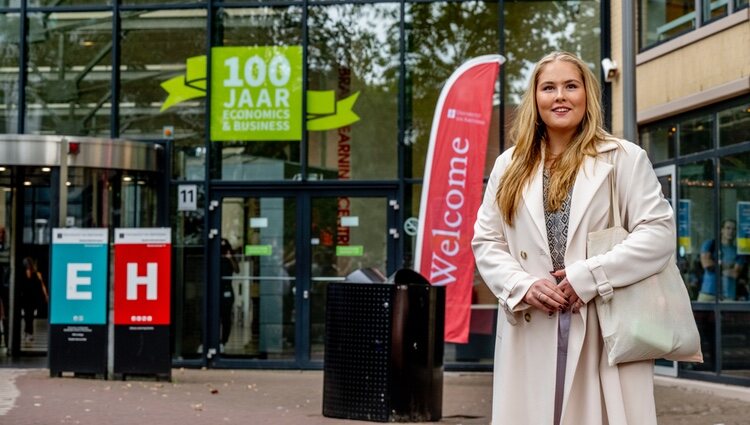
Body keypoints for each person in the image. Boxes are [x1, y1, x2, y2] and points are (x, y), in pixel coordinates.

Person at [472, 51, 675, 425]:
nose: (560, 96)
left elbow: (659, 233)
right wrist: (521, 284)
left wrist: (590, 277)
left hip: (601, 319)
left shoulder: (623, 159)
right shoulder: (508, 165)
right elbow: (487, 241)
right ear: (535, 98)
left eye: (571, 86)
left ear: (587, 95)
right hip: (532, 321)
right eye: (548, 87)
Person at [698, 219, 746, 301]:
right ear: (722, 230)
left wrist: (717, 265)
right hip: (707, 293)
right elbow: (707, 265)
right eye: (728, 228)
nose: (731, 231)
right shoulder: (710, 244)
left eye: (734, 229)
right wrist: (728, 266)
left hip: (728, 295)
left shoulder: (738, 251)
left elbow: (735, 273)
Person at [19, 257, 48, 343]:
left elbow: (41, 286)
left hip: (30, 298)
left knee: (29, 317)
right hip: (27, 298)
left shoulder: (35, 274)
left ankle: (29, 333)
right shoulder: (24, 274)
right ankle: (28, 332)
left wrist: (45, 295)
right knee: (28, 316)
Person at [219, 239, 239, 351]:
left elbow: (237, 270)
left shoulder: (230, 258)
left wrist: (229, 257)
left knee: (226, 318)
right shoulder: (216, 258)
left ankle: (224, 341)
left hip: (227, 290)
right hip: (217, 289)